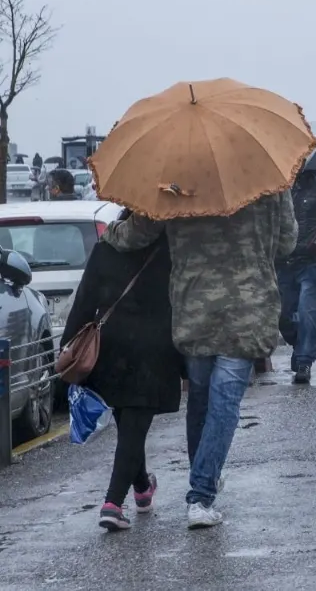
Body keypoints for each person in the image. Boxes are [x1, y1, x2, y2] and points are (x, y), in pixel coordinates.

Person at [103, 190, 296, 529]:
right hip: (247, 309)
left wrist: (110, 232)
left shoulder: (178, 182)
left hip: (194, 308)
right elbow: (286, 242)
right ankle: (201, 494)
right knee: (224, 404)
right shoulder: (269, 181)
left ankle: (203, 477)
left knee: (202, 400)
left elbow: (139, 233)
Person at [64, 210, 181, 531]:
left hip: (110, 348)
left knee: (130, 428)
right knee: (133, 430)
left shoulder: (107, 244)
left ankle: (142, 489)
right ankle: (113, 503)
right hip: (154, 350)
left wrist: (68, 347)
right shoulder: (171, 247)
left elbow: (85, 299)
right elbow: (182, 302)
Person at [276, 169, 316, 385]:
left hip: (311, 259)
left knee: (310, 313)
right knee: (282, 315)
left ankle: (305, 361)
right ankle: (299, 344)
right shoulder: (279, 185)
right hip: (283, 260)